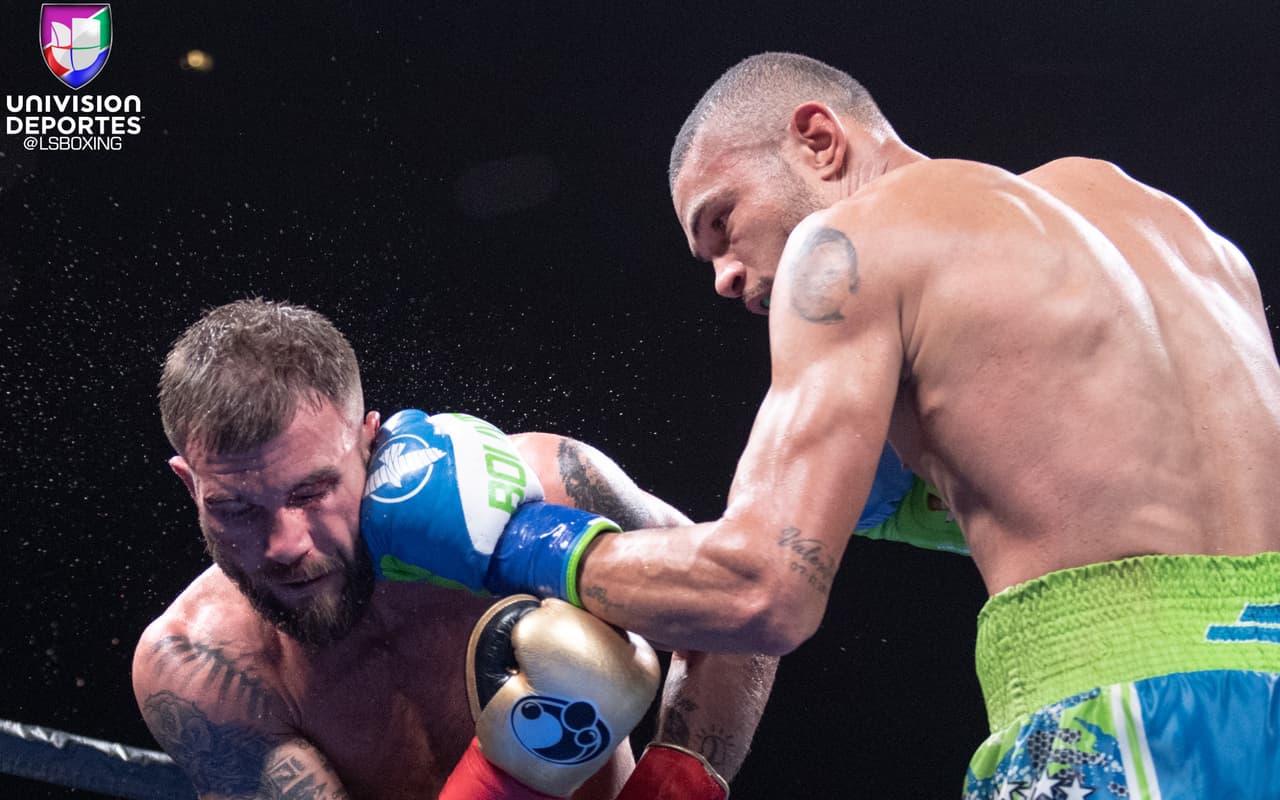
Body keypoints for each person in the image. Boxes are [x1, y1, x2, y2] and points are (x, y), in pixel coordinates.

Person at [377, 53, 1280, 797]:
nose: (724, 276)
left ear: (817, 139)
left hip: (1118, 721)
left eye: (721, 224)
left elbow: (763, 591)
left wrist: (514, 539)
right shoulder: (1163, 225)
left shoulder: (849, 247)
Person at [131, 298, 773, 799]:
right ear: (189, 485)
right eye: (235, 509)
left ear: (367, 442)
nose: (284, 545)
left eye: (313, 491)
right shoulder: (205, 667)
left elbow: (740, 600)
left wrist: (670, 794)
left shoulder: (540, 489)